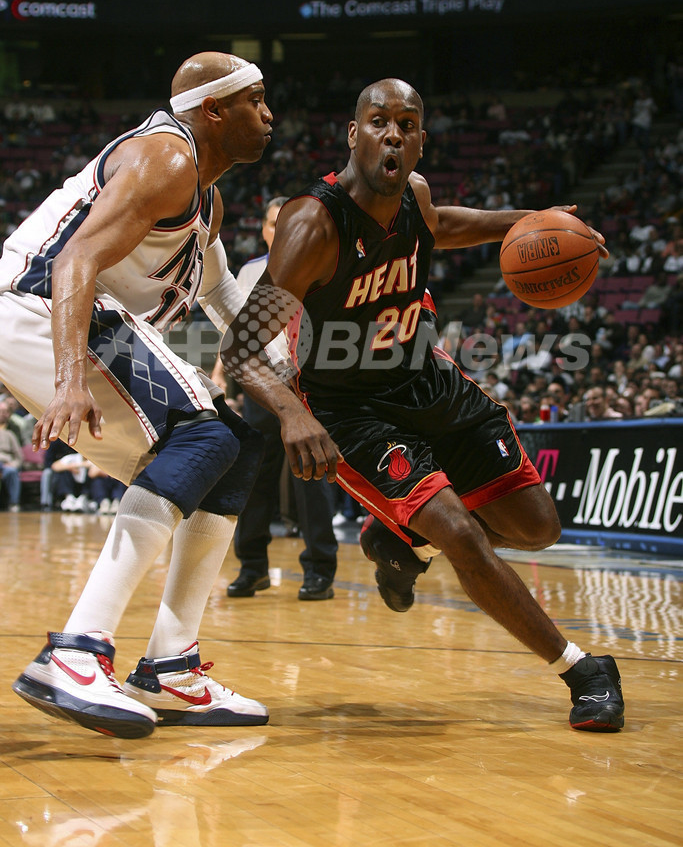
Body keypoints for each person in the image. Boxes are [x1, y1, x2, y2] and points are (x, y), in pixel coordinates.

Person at [221, 77, 625, 734]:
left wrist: (533, 223)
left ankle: (402, 540)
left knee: (537, 527)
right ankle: (583, 670)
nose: (392, 134)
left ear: (420, 141)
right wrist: (293, 413)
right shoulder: (312, 224)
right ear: (353, 134)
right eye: (378, 121)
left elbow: (445, 225)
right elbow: (240, 346)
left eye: (406, 124)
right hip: (350, 409)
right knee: (461, 533)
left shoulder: (415, 195)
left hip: (426, 381)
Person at [0, 52, 277, 739]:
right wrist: (69, 378)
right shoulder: (167, 159)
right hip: (40, 303)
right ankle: (75, 652)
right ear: (214, 110)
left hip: (70, 315)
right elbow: (75, 259)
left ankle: (171, 666)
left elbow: (222, 297)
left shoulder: (203, 199)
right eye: (256, 100)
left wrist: (296, 379)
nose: (270, 115)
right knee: (203, 434)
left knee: (231, 452)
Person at [213, 197, 338, 601]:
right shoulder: (249, 271)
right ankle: (252, 567)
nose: (278, 229)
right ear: (265, 230)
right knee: (253, 475)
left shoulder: (320, 263)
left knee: (312, 474)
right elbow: (234, 329)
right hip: (263, 383)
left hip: (308, 380)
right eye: (271, 223)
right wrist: (221, 374)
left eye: (284, 223)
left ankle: (320, 568)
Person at [0, 398, 23, 511]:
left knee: (12, 472)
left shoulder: (11, 432)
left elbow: (19, 456)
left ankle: (14, 503)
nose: (2, 414)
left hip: (6, 465)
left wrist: (13, 464)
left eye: (5, 411)